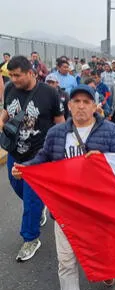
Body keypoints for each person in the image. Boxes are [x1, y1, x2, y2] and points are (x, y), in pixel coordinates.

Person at [13, 84, 115, 290]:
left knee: (102, 249)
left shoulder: (110, 130)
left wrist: (104, 159)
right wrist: (25, 168)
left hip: (98, 208)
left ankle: (107, 270)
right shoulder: (56, 133)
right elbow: (44, 157)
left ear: (94, 106)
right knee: (66, 259)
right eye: (76, 102)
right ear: (69, 106)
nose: (81, 106)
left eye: (86, 102)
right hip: (65, 208)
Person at [1, 55, 65, 262]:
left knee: (30, 199)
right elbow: (6, 111)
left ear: (30, 72)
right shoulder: (10, 88)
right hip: (14, 152)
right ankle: (39, 207)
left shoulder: (49, 94)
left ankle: (31, 238)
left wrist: (57, 151)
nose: (14, 79)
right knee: (17, 188)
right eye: (11, 75)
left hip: (38, 156)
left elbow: (59, 123)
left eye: (17, 75)